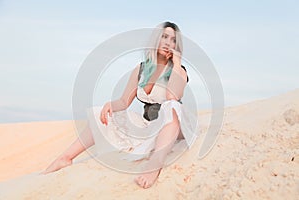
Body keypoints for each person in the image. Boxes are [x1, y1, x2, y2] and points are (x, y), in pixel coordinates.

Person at [42, 21, 198, 189]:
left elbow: (171, 96)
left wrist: (175, 62)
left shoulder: (179, 70)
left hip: (175, 124)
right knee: (100, 113)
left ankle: (155, 165)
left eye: (173, 40)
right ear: (156, 40)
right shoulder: (141, 69)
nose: (168, 42)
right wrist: (111, 105)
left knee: (171, 106)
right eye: (164, 37)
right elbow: (124, 101)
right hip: (150, 124)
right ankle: (65, 158)